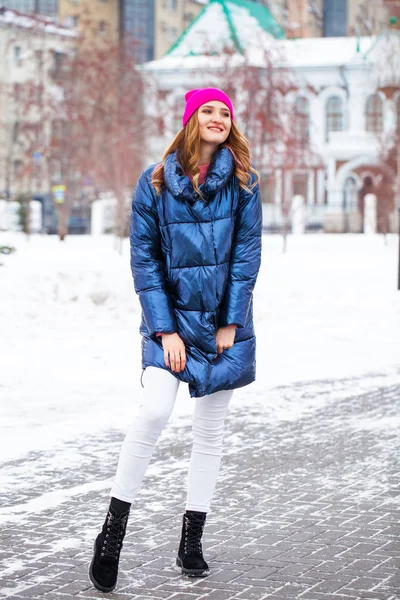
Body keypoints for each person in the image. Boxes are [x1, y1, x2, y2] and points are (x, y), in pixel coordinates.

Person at [89, 88, 263, 593]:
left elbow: (247, 257)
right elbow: (143, 261)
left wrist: (230, 321)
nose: (218, 118)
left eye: (225, 112)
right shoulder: (156, 181)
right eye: (207, 110)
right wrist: (164, 329)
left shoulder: (247, 185)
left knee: (210, 433)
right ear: (190, 120)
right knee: (154, 412)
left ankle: (191, 541)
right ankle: (111, 536)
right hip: (167, 326)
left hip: (225, 328)